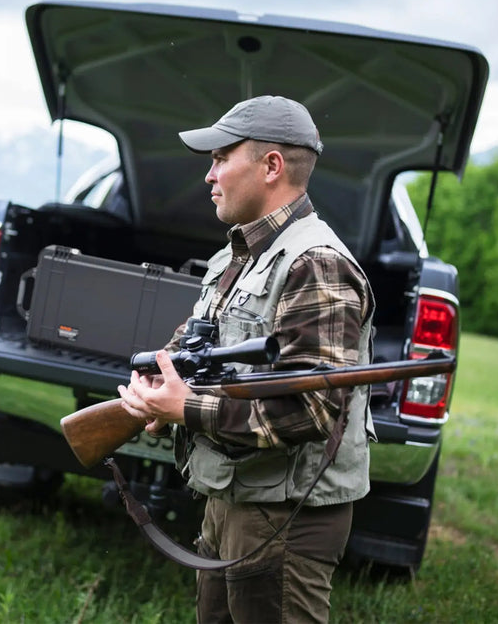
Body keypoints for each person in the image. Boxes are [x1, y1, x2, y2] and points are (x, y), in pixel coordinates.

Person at [118, 95, 375, 623]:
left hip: (284, 514)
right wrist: (155, 394)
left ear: (271, 166)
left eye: (220, 158)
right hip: (232, 497)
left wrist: (185, 409)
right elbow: (191, 351)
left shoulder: (315, 263)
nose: (209, 175)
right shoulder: (235, 256)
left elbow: (312, 411)